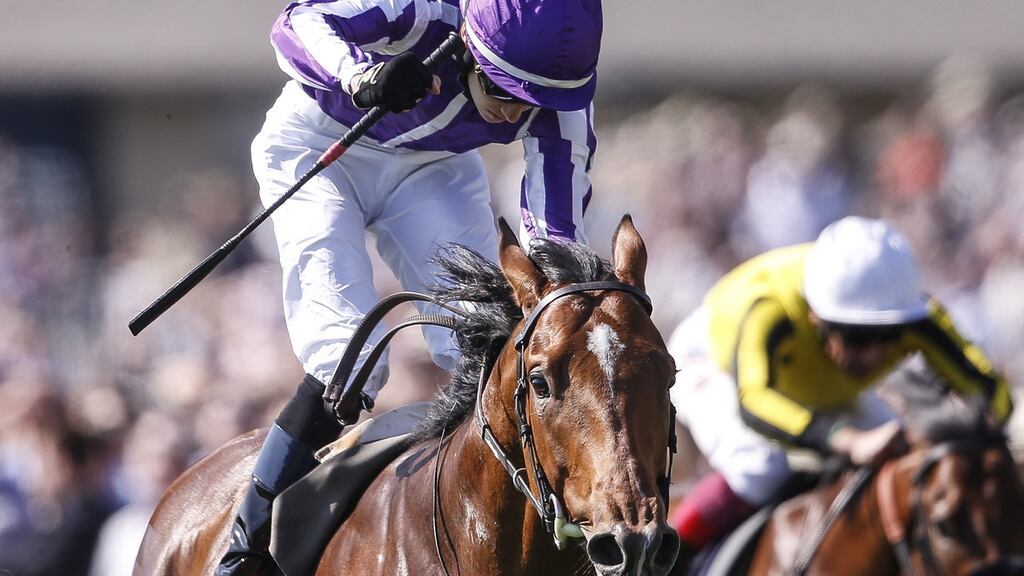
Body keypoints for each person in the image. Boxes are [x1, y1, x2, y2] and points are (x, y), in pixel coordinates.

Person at [217, 0, 603, 573]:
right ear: (469, 47)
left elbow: (553, 240)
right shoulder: (421, 10)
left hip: (430, 166)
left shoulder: (559, 97)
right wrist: (363, 75)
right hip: (321, 146)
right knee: (348, 359)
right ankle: (245, 541)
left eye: (533, 104)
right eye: (505, 94)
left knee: (496, 341)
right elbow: (296, 23)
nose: (515, 114)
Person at [666, 216, 1012, 569]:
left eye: (889, 336)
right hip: (712, 366)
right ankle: (665, 555)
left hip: (816, 380)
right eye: (857, 338)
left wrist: (979, 438)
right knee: (760, 465)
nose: (875, 354)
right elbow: (754, 402)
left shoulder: (914, 314)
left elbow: (991, 393)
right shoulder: (771, 308)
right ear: (817, 317)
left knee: (905, 460)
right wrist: (848, 440)